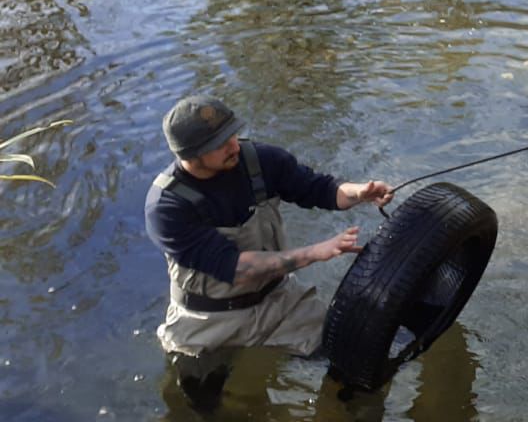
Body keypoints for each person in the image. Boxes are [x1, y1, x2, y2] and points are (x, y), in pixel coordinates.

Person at [145, 95, 393, 408]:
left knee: (355, 353)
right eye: (220, 144)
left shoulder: (257, 160)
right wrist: (317, 252)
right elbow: (236, 267)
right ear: (190, 155)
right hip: (207, 319)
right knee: (201, 406)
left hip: (276, 299)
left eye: (232, 134)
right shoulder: (166, 207)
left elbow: (318, 188)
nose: (234, 145)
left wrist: (359, 192)